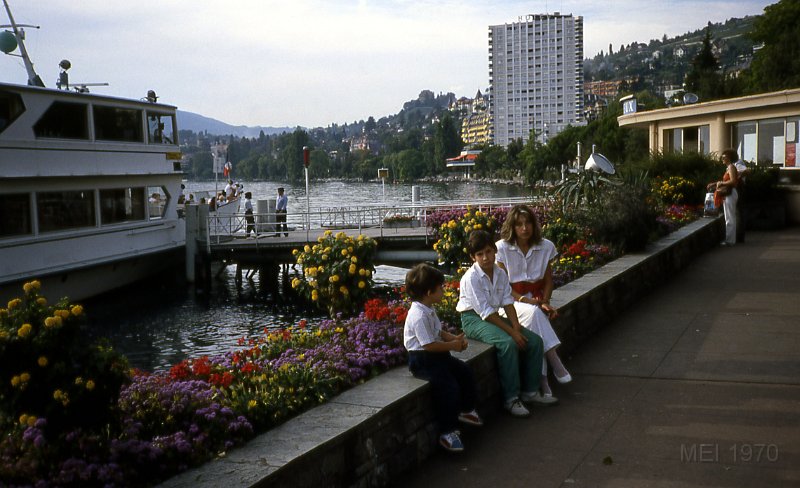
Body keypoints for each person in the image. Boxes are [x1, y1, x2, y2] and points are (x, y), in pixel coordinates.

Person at [456, 230, 557, 418]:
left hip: (493, 315)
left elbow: (507, 300)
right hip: (473, 319)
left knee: (534, 341)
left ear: (494, 251)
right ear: (473, 257)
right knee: (508, 344)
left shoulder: (500, 272)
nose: (485, 257)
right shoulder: (471, 278)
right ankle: (511, 399)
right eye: (479, 254)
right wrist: (512, 332)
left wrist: (516, 326)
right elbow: (485, 312)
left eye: (488, 252)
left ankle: (530, 392)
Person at [403, 263, 483, 452]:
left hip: (436, 356)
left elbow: (438, 333)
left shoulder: (428, 309)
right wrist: (453, 346)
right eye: (441, 288)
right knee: (448, 388)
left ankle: (466, 409)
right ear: (430, 292)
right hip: (422, 360)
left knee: (464, 371)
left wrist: (454, 338)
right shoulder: (418, 316)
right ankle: (447, 432)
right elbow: (429, 345)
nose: (443, 290)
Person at [495, 205, 572, 398]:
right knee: (536, 314)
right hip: (510, 303)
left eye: (527, 222)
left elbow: (548, 281)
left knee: (537, 322)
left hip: (535, 300)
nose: (524, 228)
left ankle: (543, 381)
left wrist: (544, 301)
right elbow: (504, 288)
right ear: (512, 226)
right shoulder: (502, 248)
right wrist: (525, 301)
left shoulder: (545, 246)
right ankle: (555, 363)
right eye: (519, 224)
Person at [707, 150, 740, 246]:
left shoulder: (731, 167)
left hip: (730, 193)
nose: (722, 159)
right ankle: (731, 239)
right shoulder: (729, 168)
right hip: (729, 193)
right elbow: (728, 180)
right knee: (729, 217)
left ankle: (730, 240)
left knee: (730, 217)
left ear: (729, 158)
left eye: (724, 157)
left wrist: (721, 183)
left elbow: (733, 181)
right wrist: (715, 183)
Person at [730, 150, 750, 244]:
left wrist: (738, 177)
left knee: (738, 212)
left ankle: (739, 236)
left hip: (739, 189)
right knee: (739, 212)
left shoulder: (737, 163)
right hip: (739, 189)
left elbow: (746, 170)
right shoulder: (735, 163)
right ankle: (739, 235)